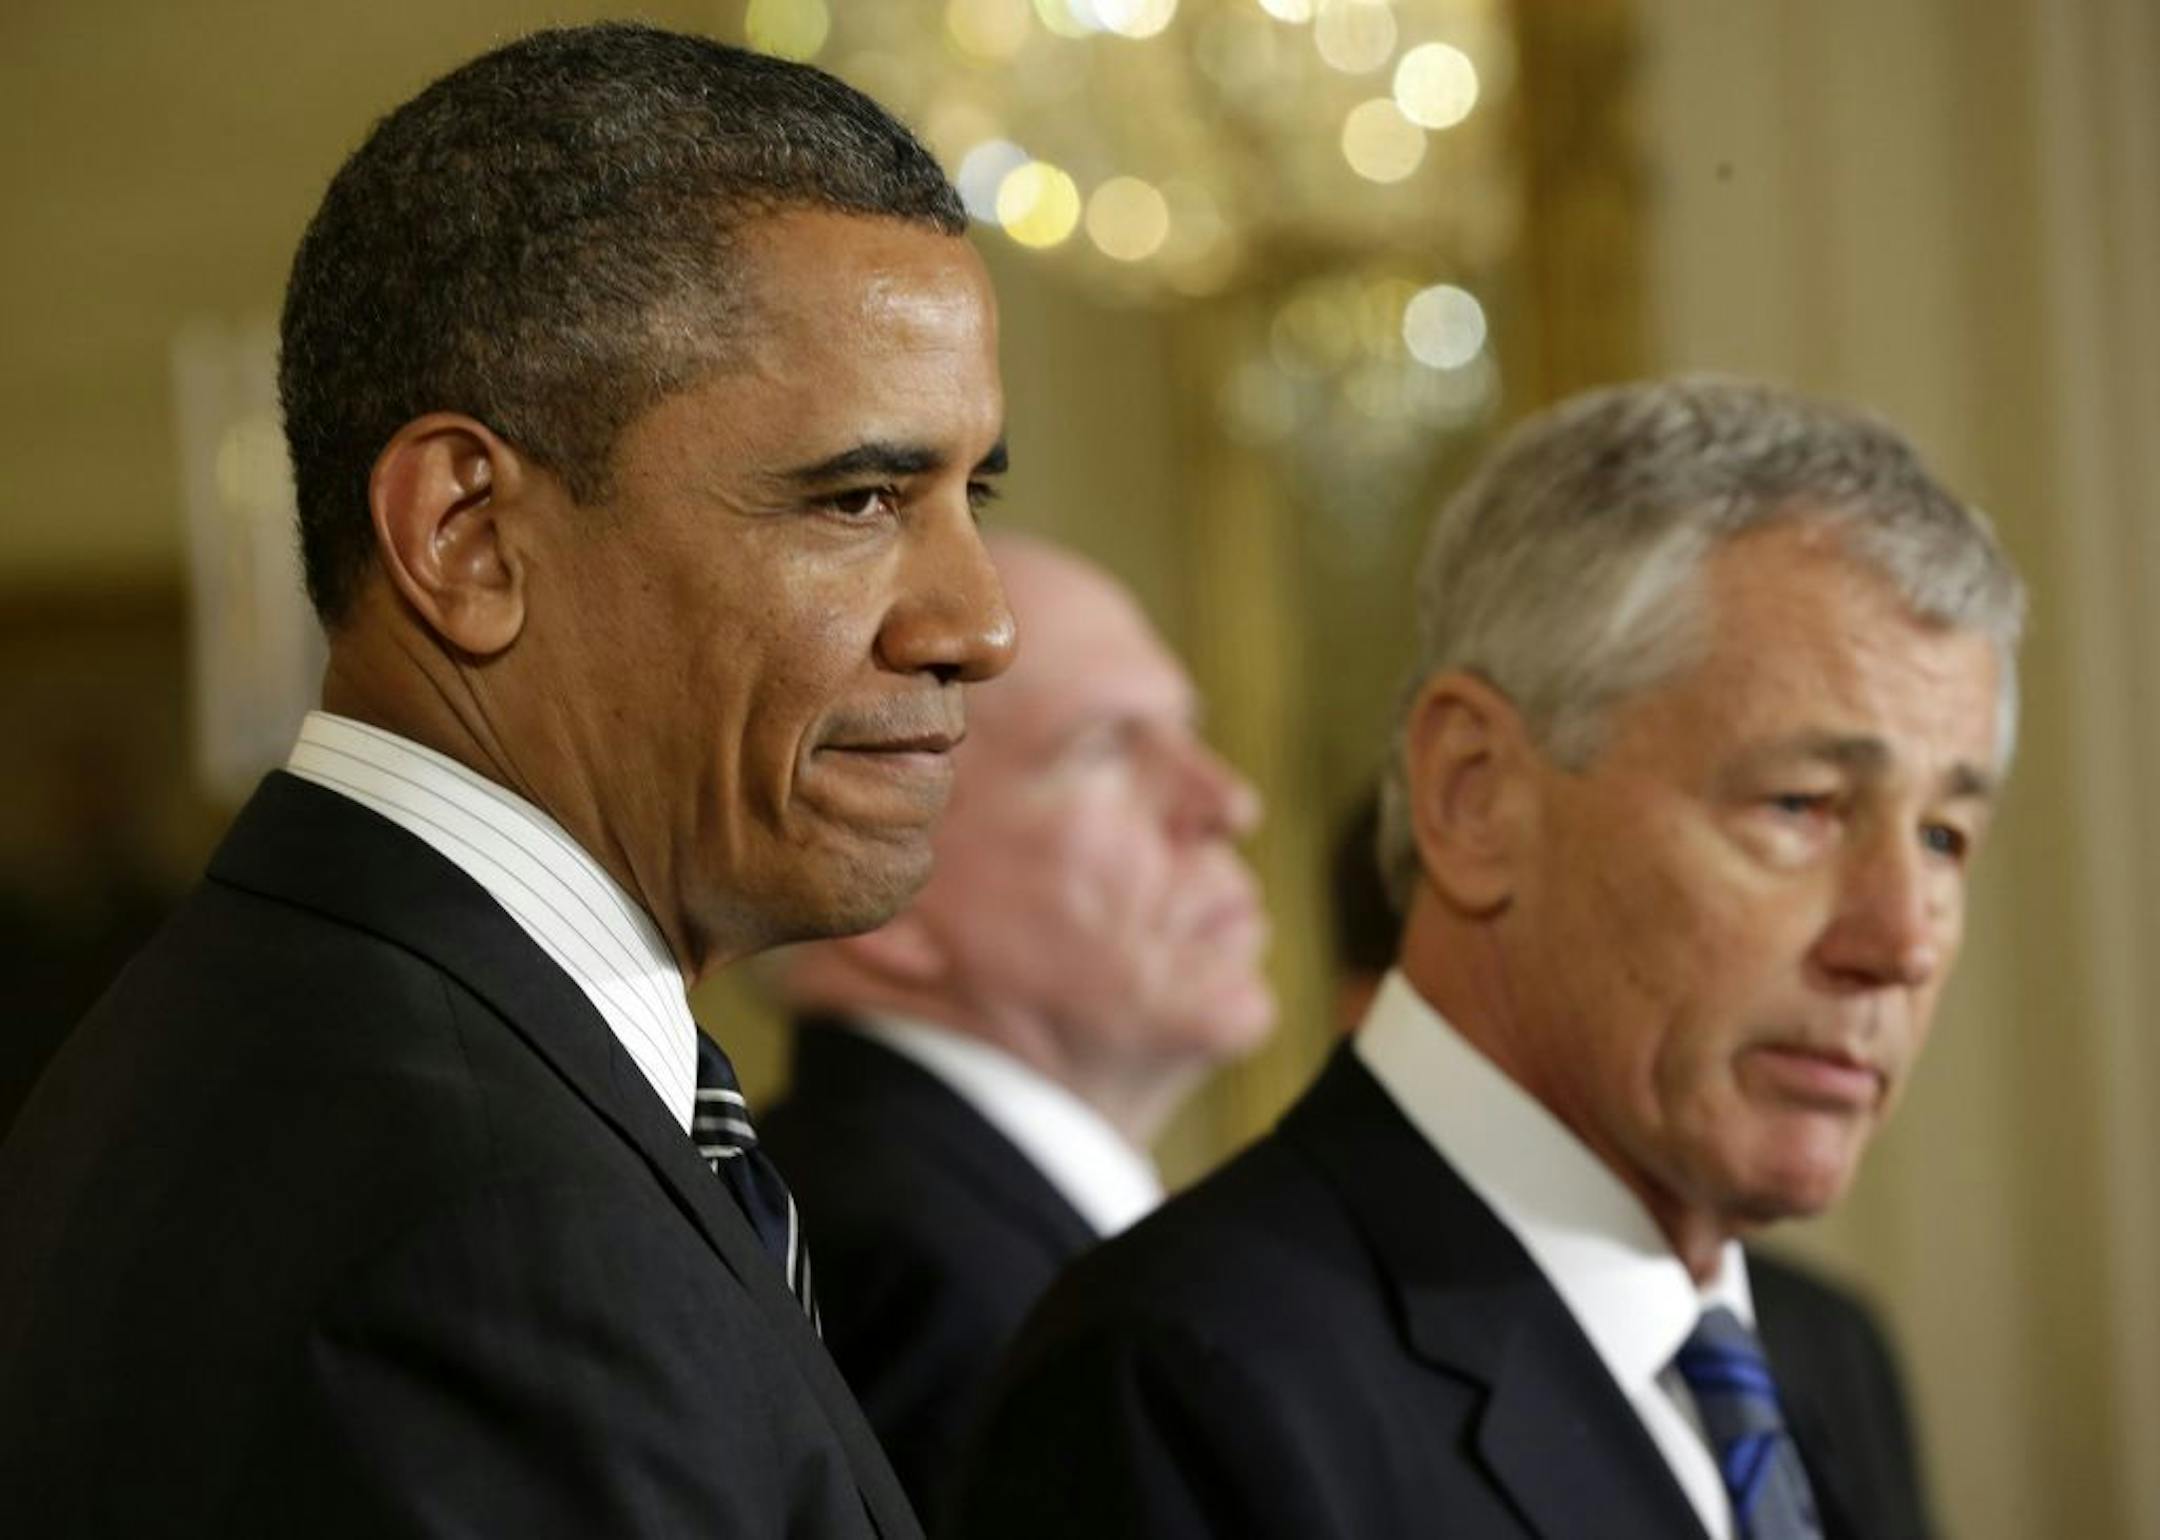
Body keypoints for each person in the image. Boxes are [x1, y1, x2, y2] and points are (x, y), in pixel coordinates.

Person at [0, 25, 1013, 1538]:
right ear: (467, 536)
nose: (978, 625)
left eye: (968, 494)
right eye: (859, 498)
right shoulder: (486, 1236)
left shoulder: (300, 1043)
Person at [951, 376, 2020, 1540]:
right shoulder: (1183, 1380)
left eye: (1943, 835)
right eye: (1803, 804)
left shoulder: (1828, 1358)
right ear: (1477, 795)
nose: (1903, 941)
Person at [758, 532, 1274, 1528]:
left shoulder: (962, 1229)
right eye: (1105, 747)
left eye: (1186, 731)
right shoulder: (919, 1279)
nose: (1224, 800)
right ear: (877, 876)